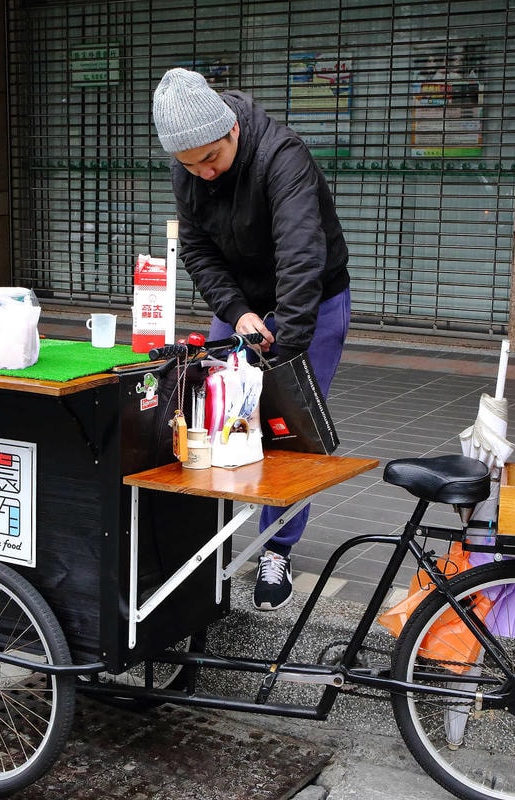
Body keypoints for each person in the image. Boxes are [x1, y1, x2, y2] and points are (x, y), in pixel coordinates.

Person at [151, 67, 351, 611]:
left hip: (311, 299)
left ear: (233, 129)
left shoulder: (283, 156)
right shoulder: (189, 168)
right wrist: (237, 313)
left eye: (210, 159)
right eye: (190, 165)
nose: (203, 174)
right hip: (243, 303)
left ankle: (276, 549)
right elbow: (198, 252)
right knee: (213, 418)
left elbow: (301, 254)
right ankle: (207, 551)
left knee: (289, 430)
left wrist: (284, 343)